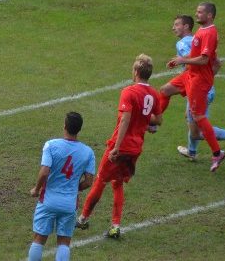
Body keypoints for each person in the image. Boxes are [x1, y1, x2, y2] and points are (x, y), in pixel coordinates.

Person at [76, 54, 163, 239]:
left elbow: (125, 119)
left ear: (136, 72)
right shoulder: (154, 94)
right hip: (136, 148)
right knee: (117, 183)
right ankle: (115, 226)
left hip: (121, 146)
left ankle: (83, 219)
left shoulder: (129, 92)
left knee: (100, 180)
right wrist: (145, 124)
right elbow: (158, 120)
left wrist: (116, 147)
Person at [163, 15, 225, 161]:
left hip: (199, 90)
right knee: (192, 120)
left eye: (176, 24)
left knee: (196, 129)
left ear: (186, 26)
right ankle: (192, 152)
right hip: (205, 88)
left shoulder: (183, 43)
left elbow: (196, 61)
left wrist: (183, 61)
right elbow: (217, 63)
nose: (173, 27)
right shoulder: (198, 41)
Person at [157, 3, 225, 171]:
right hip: (189, 75)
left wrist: (183, 60)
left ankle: (217, 153)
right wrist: (179, 60)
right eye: (196, 11)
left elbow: (203, 59)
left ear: (210, 15)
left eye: (200, 12)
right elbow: (202, 56)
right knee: (165, 90)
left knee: (198, 116)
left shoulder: (210, 32)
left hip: (198, 80)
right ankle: (154, 122)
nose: (197, 14)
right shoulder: (202, 31)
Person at [27, 112, 95, 261]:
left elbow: (44, 172)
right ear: (79, 129)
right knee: (64, 242)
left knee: (39, 238)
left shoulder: (51, 145)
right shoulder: (88, 152)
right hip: (69, 204)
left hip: (48, 201)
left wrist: (36, 190)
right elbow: (89, 181)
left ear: (64, 126)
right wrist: (74, 188)